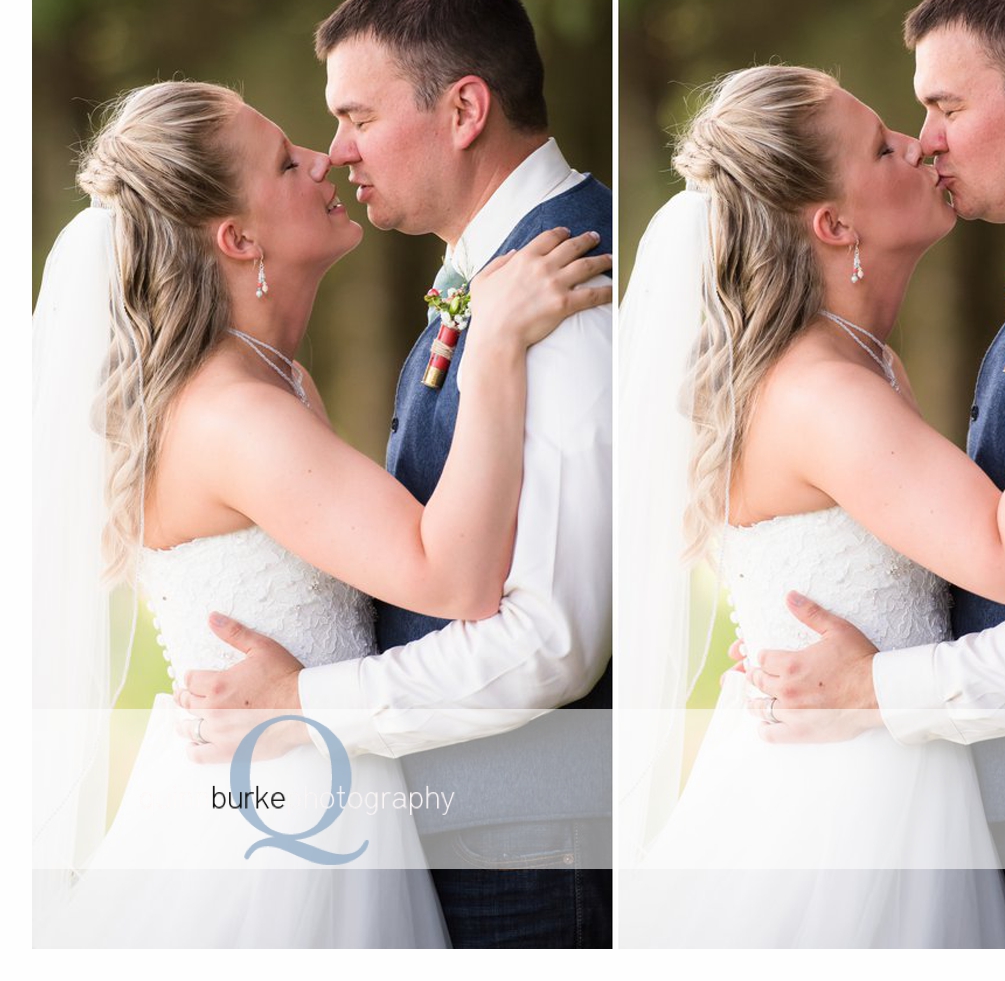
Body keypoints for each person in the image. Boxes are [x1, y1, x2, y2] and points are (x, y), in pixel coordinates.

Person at [614, 66, 1005, 947]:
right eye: (884, 147)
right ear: (837, 225)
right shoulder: (821, 395)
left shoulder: (857, 367)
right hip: (845, 815)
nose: (920, 143)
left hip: (881, 771)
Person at [31, 81, 607, 947]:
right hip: (287, 837)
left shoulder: (269, 381)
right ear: (239, 238)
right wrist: (490, 346)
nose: (325, 156)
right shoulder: (235, 415)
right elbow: (450, 575)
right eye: (284, 162)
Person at [178, 0, 617, 947]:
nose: (336, 154)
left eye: (358, 120)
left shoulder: (572, 298)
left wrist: (303, 702)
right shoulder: (491, 282)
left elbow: (551, 645)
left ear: (463, 111)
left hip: (534, 852)